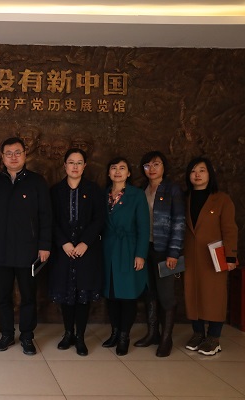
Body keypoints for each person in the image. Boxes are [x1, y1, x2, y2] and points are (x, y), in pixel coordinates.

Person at [0, 137, 52, 356]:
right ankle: (6, 334)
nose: (13, 157)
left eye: (17, 152)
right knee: (3, 296)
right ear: (2, 157)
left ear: (25, 154)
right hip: (0, 251)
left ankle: (27, 336)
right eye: (9, 153)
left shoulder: (37, 182)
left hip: (29, 251)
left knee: (28, 296)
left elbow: (46, 216)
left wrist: (44, 245)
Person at [49, 148, 105, 356]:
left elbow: (99, 219)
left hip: (86, 251)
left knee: (83, 294)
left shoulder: (94, 189)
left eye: (79, 162)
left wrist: (85, 243)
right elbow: (50, 220)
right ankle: (68, 333)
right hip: (63, 251)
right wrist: (63, 243)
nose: (75, 166)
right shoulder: (55, 191)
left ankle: (80, 336)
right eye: (71, 162)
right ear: (64, 165)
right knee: (66, 294)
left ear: (84, 166)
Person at [183, 157, 238, 356]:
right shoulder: (184, 198)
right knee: (192, 294)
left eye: (202, 170)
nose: (197, 174)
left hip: (214, 256)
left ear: (209, 174)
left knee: (214, 295)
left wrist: (230, 256)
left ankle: (214, 337)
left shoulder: (221, 199)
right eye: (193, 171)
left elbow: (230, 229)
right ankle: (198, 333)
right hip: (190, 256)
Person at [133, 151, 185, 357]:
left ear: (164, 166)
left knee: (166, 295)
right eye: (147, 165)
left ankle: (166, 338)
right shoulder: (142, 189)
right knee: (150, 293)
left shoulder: (172, 189)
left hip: (165, 251)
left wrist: (174, 252)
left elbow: (179, 222)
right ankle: (153, 333)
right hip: (145, 249)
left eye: (156, 164)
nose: (151, 169)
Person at [101, 157, 149, 356]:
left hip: (128, 249)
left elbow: (144, 227)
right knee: (111, 294)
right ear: (109, 172)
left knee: (127, 295)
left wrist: (140, 254)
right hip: (107, 249)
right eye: (114, 168)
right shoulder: (103, 194)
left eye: (122, 168)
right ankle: (114, 332)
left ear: (129, 173)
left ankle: (124, 336)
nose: (118, 171)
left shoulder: (136, 195)